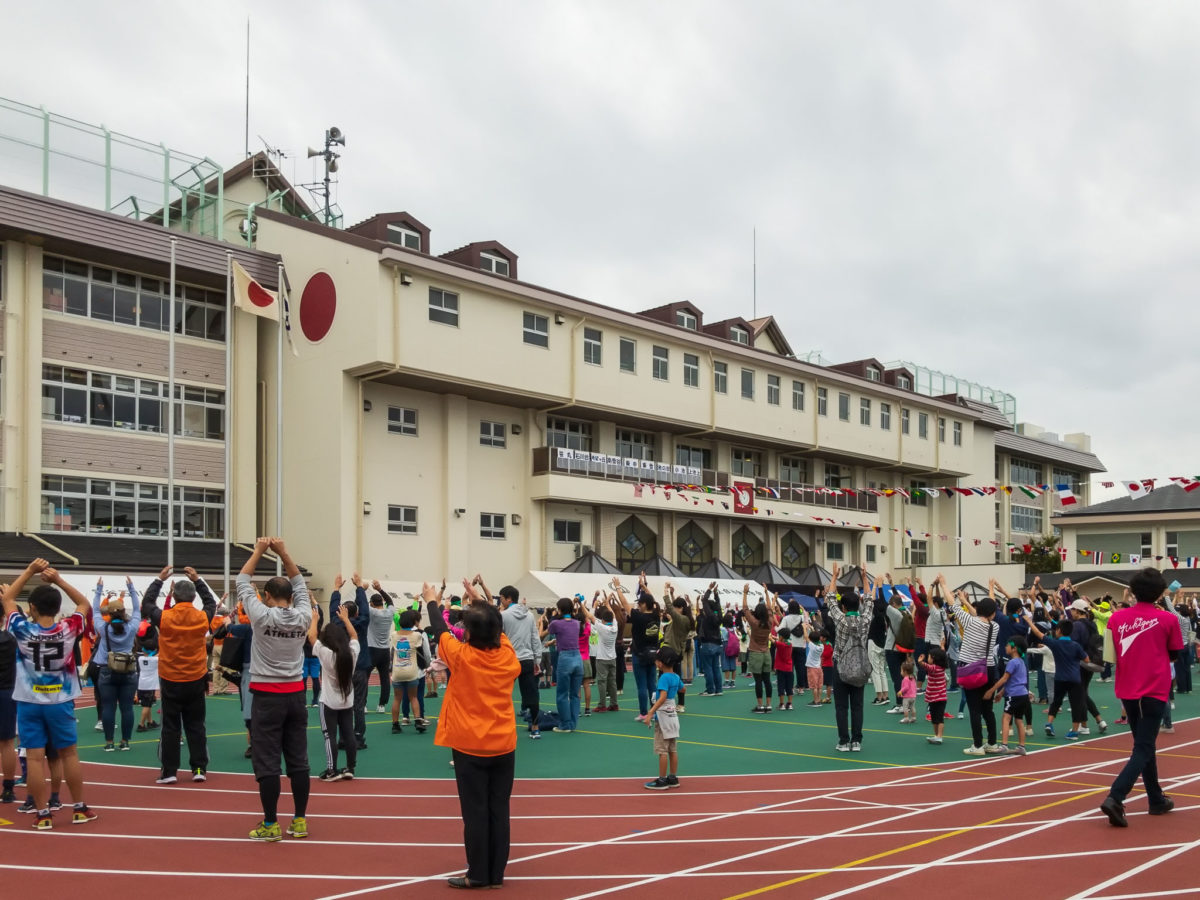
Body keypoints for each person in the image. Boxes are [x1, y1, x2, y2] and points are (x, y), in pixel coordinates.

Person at [426, 580, 520, 889]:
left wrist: (431, 600)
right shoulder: (508, 656)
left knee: (475, 812)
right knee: (499, 810)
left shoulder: (460, 656)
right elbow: (496, 627)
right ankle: (496, 874)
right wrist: (481, 602)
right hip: (503, 745)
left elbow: (440, 629)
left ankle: (478, 873)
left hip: (469, 746)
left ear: (468, 634)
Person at [2, 558, 98, 829]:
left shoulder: (22, 628)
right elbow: (84, 603)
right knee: (68, 754)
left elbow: (7, 599)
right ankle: (78, 808)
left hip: (28, 701)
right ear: (57, 608)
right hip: (60, 700)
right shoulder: (68, 628)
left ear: (32, 608)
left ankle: (42, 814)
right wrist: (58, 580)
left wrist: (29, 571)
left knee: (33, 757)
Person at [238, 537, 313, 842]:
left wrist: (258, 551)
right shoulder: (304, 615)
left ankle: (271, 824)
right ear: (291, 597)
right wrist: (284, 552)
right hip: (296, 695)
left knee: (267, 761)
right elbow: (300, 584)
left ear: (266, 596)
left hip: (267, 696)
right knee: (298, 759)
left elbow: (242, 581)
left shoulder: (260, 615)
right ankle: (300, 821)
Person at [1099, 568, 1183, 827]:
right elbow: (1175, 654)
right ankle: (1116, 796)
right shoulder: (1168, 619)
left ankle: (1155, 799)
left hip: (1128, 689)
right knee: (1144, 747)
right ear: (1159, 593)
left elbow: (1110, 655)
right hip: (1154, 689)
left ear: (1133, 592)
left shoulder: (1116, 618)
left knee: (1144, 745)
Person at [147, 566, 217, 784]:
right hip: (196, 677)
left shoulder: (165, 617)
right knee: (196, 725)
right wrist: (198, 580)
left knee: (170, 727)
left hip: (170, 677)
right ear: (194, 597)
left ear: (174, 596)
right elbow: (211, 603)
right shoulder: (202, 617)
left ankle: (169, 771)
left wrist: (159, 580)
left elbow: (147, 604)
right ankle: (199, 768)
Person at [825, 563, 875, 752]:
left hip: (841, 666)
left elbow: (830, 598)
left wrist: (834, 577)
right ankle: (856, 741)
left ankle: (844, 741)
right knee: (857, 706)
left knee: (841, 706)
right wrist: (865, 578)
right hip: (860, 666)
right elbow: (869, 601)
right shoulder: (865, 620)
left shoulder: (841, 620)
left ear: (844, 607)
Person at [92, 576, 142, 752]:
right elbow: (137, 608)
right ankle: (125, 741)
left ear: (110, 614)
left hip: (107, 670)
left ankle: (109, 742)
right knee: (127, 708)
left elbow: (95, 610)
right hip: (128, 670)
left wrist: (99, 590)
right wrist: (131, 588)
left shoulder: (103, 627)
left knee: (108, 707)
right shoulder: (132, 627)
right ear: (122, 611)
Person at [311, 601, 359, 781]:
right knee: (349, 734)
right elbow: (354, 636)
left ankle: (332, 770)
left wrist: (314, 620)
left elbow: (311, 637)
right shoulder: (351, 654)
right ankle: (350, 767)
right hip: (347, 701)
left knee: (329, 735)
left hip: (328, 702)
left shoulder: (326, 654)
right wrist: (346, 619)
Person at [951, 590, 1002, 756]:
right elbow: (980, 616)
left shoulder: (970, 622)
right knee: (988, 709)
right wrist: (966, 601)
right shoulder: (994, 626)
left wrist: (944, 584)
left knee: (974, 709)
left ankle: (978, 745)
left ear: (979, 609)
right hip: (989, 669)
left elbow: (952, 604)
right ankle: (992, 743)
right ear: (993, 613)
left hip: (971, 669)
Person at [1025, 615, 1087, 740]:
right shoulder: (1075, 645)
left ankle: (1049, 723)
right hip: (1074, 679)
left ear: (1058, 630)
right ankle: (1075, 731)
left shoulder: (1055, 643)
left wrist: (1029, 621)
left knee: (1056, 702)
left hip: (1060, 678)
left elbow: (1038, 633)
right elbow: (1086, 659)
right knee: (1076, 704)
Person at [329, 574, 371, 750]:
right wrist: (359, 587)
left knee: (342, 704)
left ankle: (344, 738)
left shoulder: (336, 623)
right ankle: (358, 737)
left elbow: (333, 610)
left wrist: (336, 589)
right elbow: (365, 609)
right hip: (359, 668)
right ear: (357, 613)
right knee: (358, 705)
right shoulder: (361, 622)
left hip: (342, 668)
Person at [498, 584, 543, 737]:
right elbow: (535, 638)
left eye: (502, 598)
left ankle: (502, 727)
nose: (501, 601)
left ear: (508, 598)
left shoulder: (503, 616)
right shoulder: (529, 615)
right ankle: (535, 727)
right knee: (532, 694)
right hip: (527, 659)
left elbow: (498, 638)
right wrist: (537, 660)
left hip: (509, 660)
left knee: (502, 694)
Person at [643, 647, 683, 790]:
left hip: (663, 717)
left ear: (660, 663)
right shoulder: (676, 676)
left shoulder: (663, 678)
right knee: (672, 749)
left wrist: (650, 712)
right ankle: (673, 777)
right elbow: (682, 689)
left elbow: (663, 696)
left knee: (662, 750)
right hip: (672, 715)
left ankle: (662, 780)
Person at [986, 636, 1030, 755]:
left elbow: (1005, 679)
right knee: (1019, 720)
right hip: (1023, 694)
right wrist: (1001, 693)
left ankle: (1004, 745)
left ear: (1014, 648)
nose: (1005, 647)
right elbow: (1013, 680)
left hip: (1013, 695)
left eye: (1008, 645)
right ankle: (1021, 746)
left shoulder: (1012, 662)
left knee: (1006, 718)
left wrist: (991, 690)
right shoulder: (1022, 662)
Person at [626, 575, 661, 720]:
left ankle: (644, 713)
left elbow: (624, 604)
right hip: (652, 654)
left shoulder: (638, 617)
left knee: (641, 686)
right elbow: (653, 600)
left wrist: (618, 588)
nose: (639, 605)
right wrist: (644, 586)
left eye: (640, 603)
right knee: (652, 684)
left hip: (639, 654)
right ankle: (654, 712)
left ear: (645, 605)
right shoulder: (656, 615)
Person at [388, 610, 428, 735]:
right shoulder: (416, 636)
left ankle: (395, 725)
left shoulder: (394, 635)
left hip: (397, 671)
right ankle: (418, 720)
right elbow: (421, 649)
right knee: (414, 697)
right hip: (411, 671)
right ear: (413, 622)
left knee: (397, 698)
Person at [547, 597, 583, 733]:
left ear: (560, 609)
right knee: (575, 694)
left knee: (562, 694)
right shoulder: (577, 623)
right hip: (577, 657)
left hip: (565, 658)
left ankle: (565, 725)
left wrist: (554, 615)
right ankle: (573, 724)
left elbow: (550, 629)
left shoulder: (556, 623)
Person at [742, 585, 775, 713]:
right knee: (767, 680)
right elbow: (770, 608)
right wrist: (766, 593)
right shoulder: (770, 622)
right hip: (766, 653)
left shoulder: (754, 623)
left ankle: (760, 706)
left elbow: (745, 609)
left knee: (758, 681)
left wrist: (745, 593)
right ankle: (769, 705)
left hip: (755, 653)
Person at [366, 581, 394, 713]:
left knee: (364, 677)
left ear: (371, 603)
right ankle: (382, 705)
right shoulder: (390, 612)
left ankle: (363, 705)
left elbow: (360, 603)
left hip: (372, 649)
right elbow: (390, 601)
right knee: (385, 679)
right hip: (385, 650)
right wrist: (380, 589)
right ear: (382, 602)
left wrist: (361, 588)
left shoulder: (372, 612)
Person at [591, 595, 620, 714]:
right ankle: (614, 704)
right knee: (612, 682)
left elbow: (590, 617)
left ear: (603, 620)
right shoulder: (615, 627)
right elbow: (613, 615)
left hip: (602, 658)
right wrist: (607, 604)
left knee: (602, 682)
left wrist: (591, 606)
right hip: (612, 658)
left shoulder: (602, 627)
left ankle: (602, 705)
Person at [696, 583, 724, 696]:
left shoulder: (709, 616)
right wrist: (716, 594)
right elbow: (718, 606)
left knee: (708, 668)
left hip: (708, 644)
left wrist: (709, 589)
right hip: (717, 644)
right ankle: (719, 689)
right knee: (716, 668)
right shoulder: (719, 617)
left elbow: (704, 601)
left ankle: (710, 690)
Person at [919, 646, 949, 744]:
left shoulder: (935, 668)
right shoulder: (941, 668)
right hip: (936, 698)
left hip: (938, 698)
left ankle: (939, 736)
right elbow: (942, 654)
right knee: (935, 718)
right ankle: (936, 736)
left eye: (929, 657)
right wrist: (942, 646)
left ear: (934, 658)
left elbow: (927, 666)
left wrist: (920, 662)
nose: (928, 659)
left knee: (938, 718)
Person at [773, 627, 795, 710]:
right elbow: (778, 641)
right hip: (789, 668)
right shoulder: (789, 644)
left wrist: (769, 636)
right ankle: (789, 704)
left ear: (781, 637)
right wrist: (775, 638)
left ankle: (781, 704)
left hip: (781, 668)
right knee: (789, 686)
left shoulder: (780, 644)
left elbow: (774, 641)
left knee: (781, 686)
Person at [804, 628, 825, 707]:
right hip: (819, 668)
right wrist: (812, 628)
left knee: (814, 686)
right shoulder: (821, 646)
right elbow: (812, 637)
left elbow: (806, 637)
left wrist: (804, 628)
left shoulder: (812, 646)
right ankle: (818, 700)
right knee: (819, 686)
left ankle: (815, 701)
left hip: (812, 668)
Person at [898, 659, 917, 724]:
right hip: (913, 696)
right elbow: (914, 686)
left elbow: (906, 687)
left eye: (901, 670)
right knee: (912, 707)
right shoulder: (913, 677)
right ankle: (913, 717)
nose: (901, 672)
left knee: (905, 708)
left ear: (905, 671)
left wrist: (900, 692)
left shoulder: (905, 679)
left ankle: (906, 718)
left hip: (907, 697)